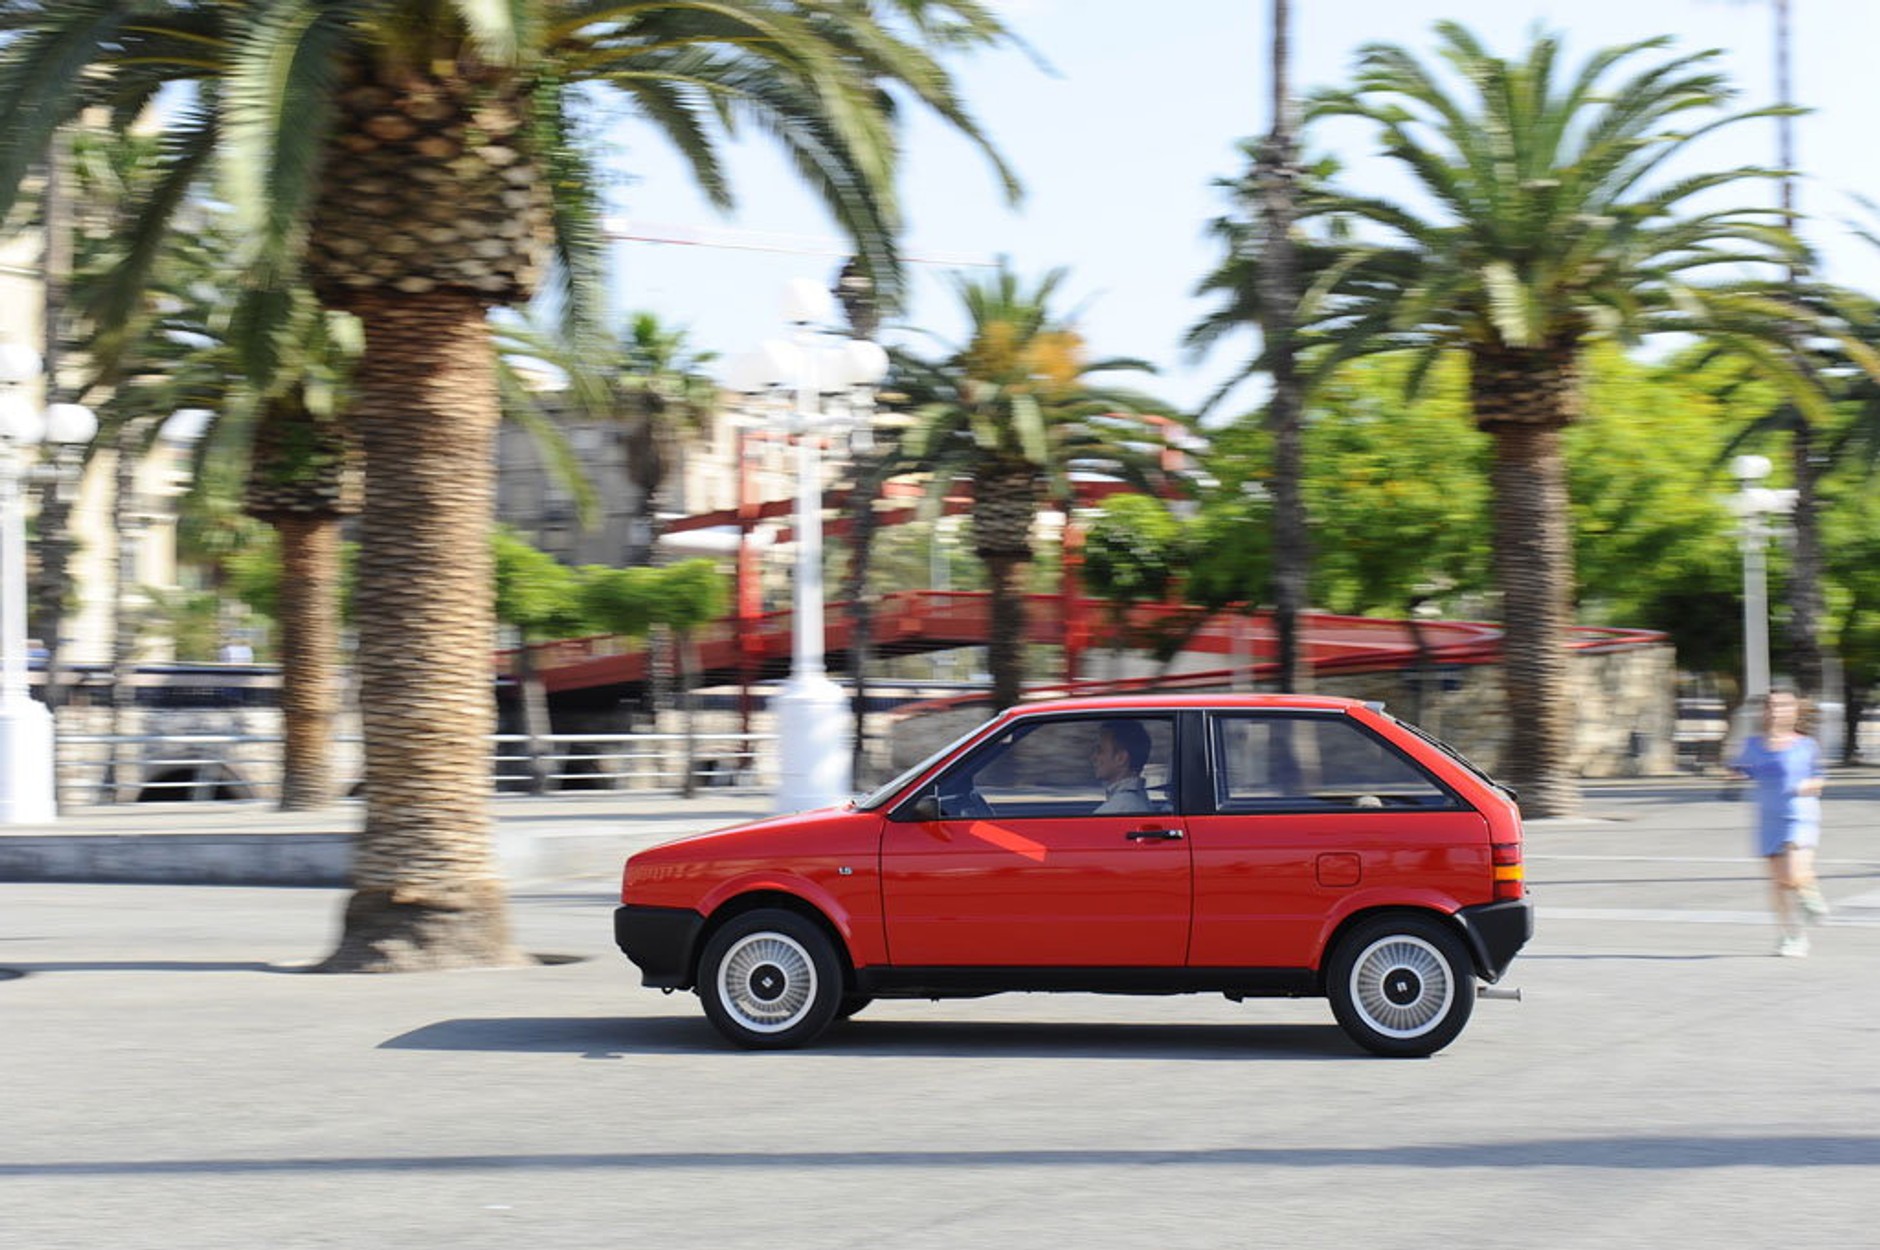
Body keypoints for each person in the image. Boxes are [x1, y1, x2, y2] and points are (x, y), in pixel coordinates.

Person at [1731, 688, 1829, 957]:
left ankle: (1810, 895)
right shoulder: (1752, 745)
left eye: (1784, 705)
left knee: (1795, 874)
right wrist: (1735, 774)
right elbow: (1742, 769)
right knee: (1778, 882)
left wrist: (1810, 784)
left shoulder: (1807, 745)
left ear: (1795, 710)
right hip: (1769, 816)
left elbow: (1821, 777)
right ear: (1765, 711)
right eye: (1772, 706)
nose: (1777, 710)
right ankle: (1791, 936)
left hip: (1800, 814)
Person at [1091, 720, 1153, 815]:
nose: (1094, 757)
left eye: (1100, 751)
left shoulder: (1116, 810)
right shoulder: (1136, 801)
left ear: (1121, 758)